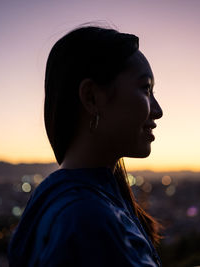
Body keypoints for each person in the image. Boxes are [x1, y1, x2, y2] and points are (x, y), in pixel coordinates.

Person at [8, 25, 163, 267]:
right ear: (91, 97)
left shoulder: (56, 198)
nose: (158, 110)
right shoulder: (88, 220)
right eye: (146, 89)